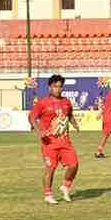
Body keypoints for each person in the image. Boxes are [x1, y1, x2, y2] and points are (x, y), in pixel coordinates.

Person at [29, 74, 81, 204]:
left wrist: (75, 124)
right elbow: (31, 117)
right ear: (50, 87)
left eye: (60, 86)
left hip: (65, 142)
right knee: (50, 168)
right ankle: (48, 194)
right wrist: (40, 131)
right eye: (55, 86)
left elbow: (69, 114)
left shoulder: (66, 102)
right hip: (49, 143)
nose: (58, 89)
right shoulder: (42, 103)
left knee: (74, 165)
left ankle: (65, 186)